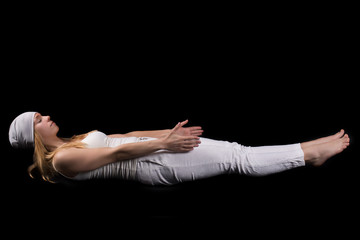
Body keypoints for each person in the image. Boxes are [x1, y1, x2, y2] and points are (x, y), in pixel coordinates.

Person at [9, 111, 350, 185]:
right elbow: (115, 154)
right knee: (238, 159)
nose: (48, 116)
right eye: (39, 119)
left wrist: (164, 132)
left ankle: (306, 149)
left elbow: (123, 135)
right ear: (33, 135)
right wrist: (164, 143)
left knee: (237, 149)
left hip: (152, 148)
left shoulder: (71, 143)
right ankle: (309, 155)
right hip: (151, 164)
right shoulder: (63, 160)